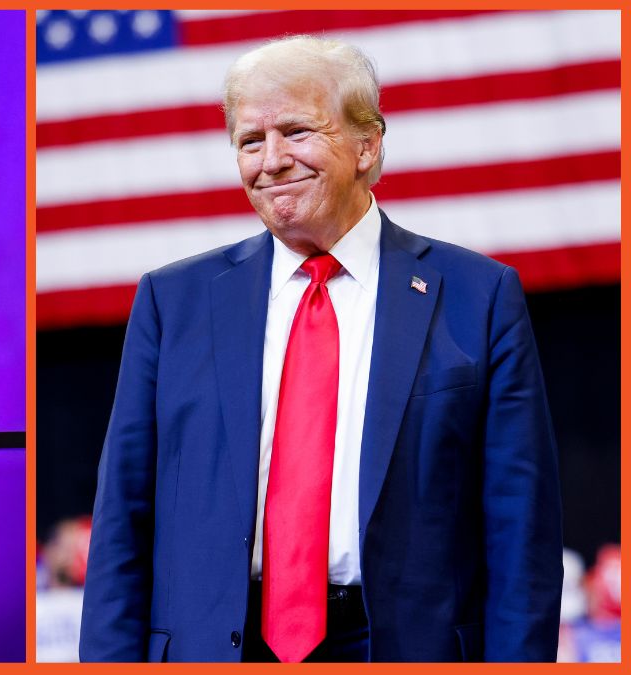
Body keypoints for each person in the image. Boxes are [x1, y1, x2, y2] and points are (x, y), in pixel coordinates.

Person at [79, 36, 562, 662]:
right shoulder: (173, 303)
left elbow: (522, 529)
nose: (272, 160)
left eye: (297, 132)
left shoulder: (480, 296)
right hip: (217, 645)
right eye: (251, 141)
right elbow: (123, 518)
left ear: (367, 145)